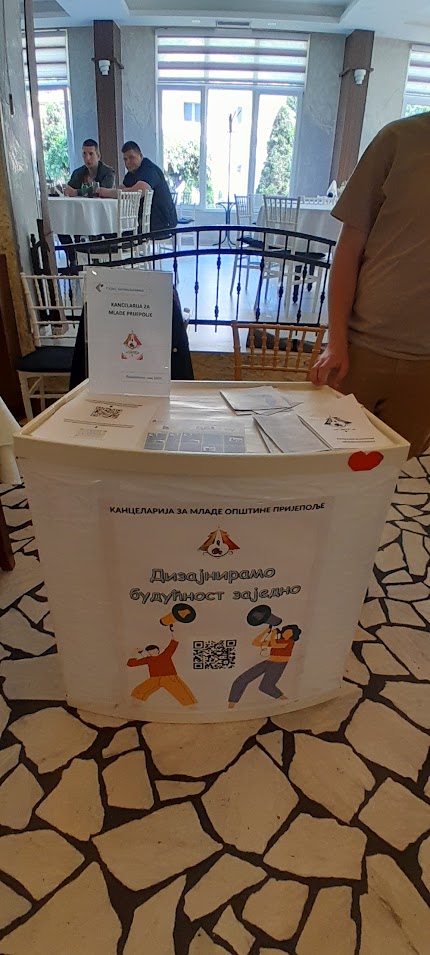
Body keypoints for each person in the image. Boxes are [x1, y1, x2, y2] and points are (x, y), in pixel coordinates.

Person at [310, 112, 430, 459]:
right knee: (329, 464)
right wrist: (336, 342)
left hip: (425, 369)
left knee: (394, 472)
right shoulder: (398, 140)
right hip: (360, 351)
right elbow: (348, 250)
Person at [98, 140, 177, 233]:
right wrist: (108, 192)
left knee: (114, 231)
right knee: (110, 229)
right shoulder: (132, 173)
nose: (128, 162)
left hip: (162, 223)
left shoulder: (149, 170)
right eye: (125, 159)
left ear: (141, 156)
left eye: (131, 158)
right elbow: (122, 188)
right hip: (144, 220)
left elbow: (137, 192)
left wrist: (106, 192)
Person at [58, 139, 115, 264]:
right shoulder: (78, 173)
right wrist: (65, 190)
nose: (87, 158)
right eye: (84, 154)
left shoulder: (108, 172)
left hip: (101, 216)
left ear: (98, 156)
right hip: (80, 214)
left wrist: (77, 192)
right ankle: (72, 258)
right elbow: (69, 189)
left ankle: (94, 258)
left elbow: (102, 191)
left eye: (91, 154)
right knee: (60, 223)